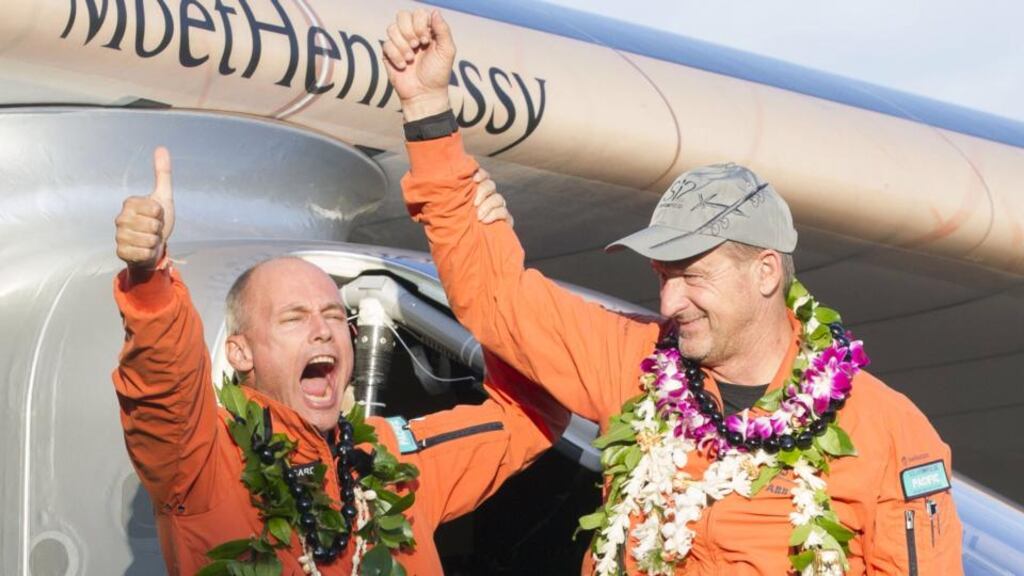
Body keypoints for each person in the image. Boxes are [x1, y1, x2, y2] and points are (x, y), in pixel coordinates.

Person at [381, 9, 964, 575]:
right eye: (663, 277)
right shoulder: (634, 364)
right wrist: (427, 108)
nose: (668, 303)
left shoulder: (886, 432)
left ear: (765, 273)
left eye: (693, 276)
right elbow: (497, 300)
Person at [111, 147, 554, 575]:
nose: (322, 330)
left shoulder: (392, 459)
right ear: (241, 351)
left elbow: (530, 415)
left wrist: (491, 260)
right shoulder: (202, 463)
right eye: (294, 317)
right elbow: (162, 390)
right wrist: (149, 279)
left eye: (334, 315)